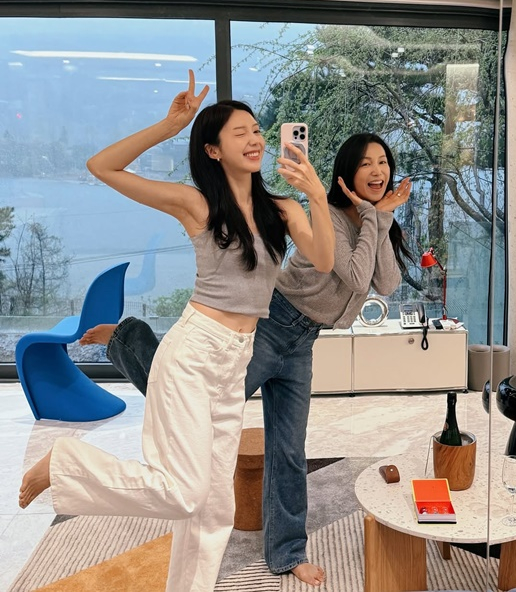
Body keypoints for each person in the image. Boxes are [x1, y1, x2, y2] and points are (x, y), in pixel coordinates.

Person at [18, 70, 335, 592]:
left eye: (257, 130)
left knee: (214, 508)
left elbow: (323, 260)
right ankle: (68, 463)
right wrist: (170, 125)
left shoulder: (282, 208)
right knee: (184, 492)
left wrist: (316, 196)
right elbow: (101, 166)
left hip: (236, 358)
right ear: (212, 150)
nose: (255, 139)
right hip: (193, 353)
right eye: (240, 133)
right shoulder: (197, 205)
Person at [80, 131, 413, 587]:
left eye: (384, 163)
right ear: (346, 174)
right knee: (183, 399)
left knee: (289, 449)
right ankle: (127, 337)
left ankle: (287, 553)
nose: (378, 172)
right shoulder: (331, 218)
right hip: (270, 325)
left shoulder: (377, 221)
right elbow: (357, 277)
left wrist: (382, 218)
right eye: (366, 164)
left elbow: (387, 284)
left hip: (304, 342)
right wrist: (377, 217)